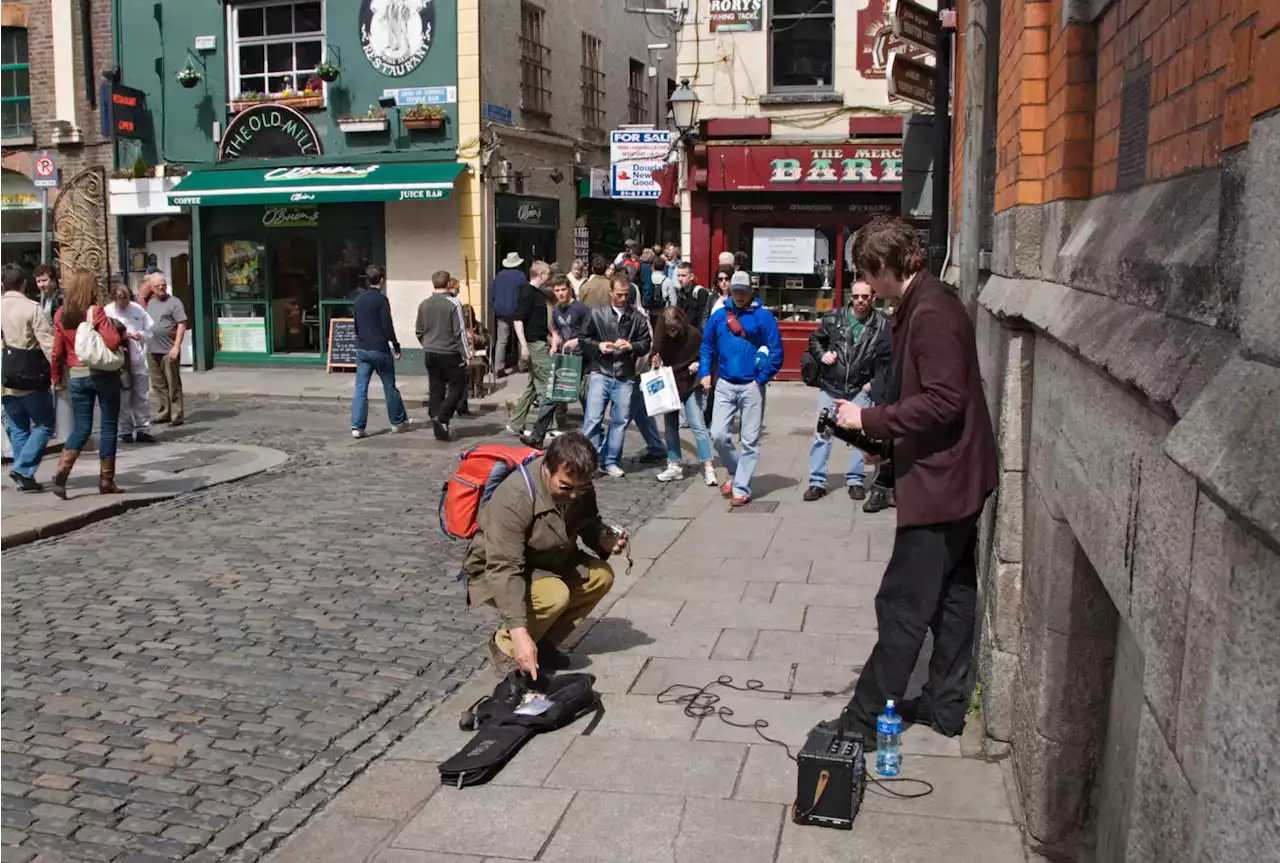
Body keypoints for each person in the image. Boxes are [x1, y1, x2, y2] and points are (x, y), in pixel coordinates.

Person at [827, 216, 997, 745]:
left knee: (901, 604)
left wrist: (868, 421)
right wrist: (882, 443)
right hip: (948, 478)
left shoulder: (931, 311)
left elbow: (946, 402)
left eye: (866, 273)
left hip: (945, 486)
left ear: (882, 266)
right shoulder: (922, 303)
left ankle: (861, 723)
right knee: (952, 595)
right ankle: (946, 707)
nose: (865, 286)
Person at [464, 432, 625, 677]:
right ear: (548, 468)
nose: (573, 495)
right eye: (566, 487)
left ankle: (543, 643)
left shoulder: (579, 485)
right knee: (553, 595)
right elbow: (504, 567)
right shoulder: (515, 497)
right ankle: (505, 647)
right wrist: (518, 631)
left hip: (550, 560)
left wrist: (604, 539)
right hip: (497, 570)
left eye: (581, 489)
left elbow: (588, 522)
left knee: (600, 576)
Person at [698, 270, 783, 506]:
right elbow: (707, 346)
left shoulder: (763, 317)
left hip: (752, 385)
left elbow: (776, 350)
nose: (738, 295)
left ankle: (741, 487)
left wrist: (762, 378)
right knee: (717, 435)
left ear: (750, 291)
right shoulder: (719, 315)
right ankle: (737, 472)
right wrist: (705, 372)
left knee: (749, 440)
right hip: (725, 382)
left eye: (742, 291)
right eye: (735, 291)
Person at [804, 279, 891, 501]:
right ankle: (816, 481)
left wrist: (873, 383)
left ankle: (855, 480)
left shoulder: (882, 324)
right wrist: (822, 354)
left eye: (864, 296)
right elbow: (815, 339)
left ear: (873, 297)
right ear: (850, 297)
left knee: (859, 436)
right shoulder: (834, 317)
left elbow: (888, 358)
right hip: (832, 385)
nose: (860, 301)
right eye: (855, 296)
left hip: (860, 387)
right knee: (823, 433)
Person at [49, 268, 126, 498]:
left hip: (77, 374)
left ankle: (62, 471)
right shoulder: (96, 312)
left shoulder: (61, 314)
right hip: (102, 373)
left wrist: (56, 376)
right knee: (109, 426)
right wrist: (119, 335)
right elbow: (112, 340)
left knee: (82, 426)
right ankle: (106, 481)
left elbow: (56, 352)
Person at [579, 272, 651, 478]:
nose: (623, 298)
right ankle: (588, 461)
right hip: (601, 371)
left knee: (619, 421)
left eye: (626, 294)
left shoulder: (637, 316)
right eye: (619, 294)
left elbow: (645, 343)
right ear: (610, 292)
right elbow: (583, 339)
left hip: (625, 374)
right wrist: (599, 346)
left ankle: (610, 460)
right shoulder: (597, 313)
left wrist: (631, 346)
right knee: (593, 419)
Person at [0, 265, 55, 491]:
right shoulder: (32, 309)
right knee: (45, 424)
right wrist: (59, 373)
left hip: (5, 378)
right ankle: (23, 469)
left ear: (2, 285)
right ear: (23, 284)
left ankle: (25, 478)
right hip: (30, 377)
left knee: (18, 428)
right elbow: (48, 344)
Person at [522, 274, 590, 449]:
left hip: (583, 359)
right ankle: (538, 436)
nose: (560, 293)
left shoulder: (581, 309)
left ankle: (592, 437)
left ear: (569, 289)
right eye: (557, 290)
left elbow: (590, 332)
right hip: (565, 359)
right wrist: (554, 344)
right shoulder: (556, 310)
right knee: (551, 396)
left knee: (586, 397)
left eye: (563, 289)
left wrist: (578, 341)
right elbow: (557, 331)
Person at [651, 307, 716, 486]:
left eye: (675, 329)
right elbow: (655, 353)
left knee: (697, 424)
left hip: (689, 380)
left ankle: (708, 466)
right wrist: (655, 361)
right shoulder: (661, 335)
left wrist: (698, 365)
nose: (672, 333)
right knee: (670, 425)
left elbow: (706, 355)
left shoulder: (693, 335)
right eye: (669, 329)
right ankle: (674, 464)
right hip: (670, 381)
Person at [351, 265, 410, 439]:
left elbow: (356, 325)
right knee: (389, 386)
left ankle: (357, 426)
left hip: (362, 348)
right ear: (382, 280)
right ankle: (397, 422)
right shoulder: (382, 300)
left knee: (361, 388)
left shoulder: (359, 300)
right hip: (380, 349)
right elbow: (387, 326)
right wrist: (396, 346)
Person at [416, 270, 468, 441]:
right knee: (457, 388)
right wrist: (466, 354)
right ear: (447, 284)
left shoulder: (424, 304)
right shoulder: (454, 303)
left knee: (436, 387)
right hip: (450, 352)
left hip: (430, 351)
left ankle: (436, 419)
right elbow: (459, 332)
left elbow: (419, 330)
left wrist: (427, 344)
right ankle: (442, 417)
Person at [505, 261, 554, 435]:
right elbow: (518, 319)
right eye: (548, 274)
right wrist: (524, 345)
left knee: (533, 386)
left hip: (537, 343)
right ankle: (547, 427)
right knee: (547, 385)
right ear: (540, 274)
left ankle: (515, 423)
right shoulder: (528, 293)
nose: (549, 277)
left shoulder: (536, 293)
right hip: (535, 344)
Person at [105, 283, 156, 445]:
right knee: (123, 396)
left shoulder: (137, 310)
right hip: (120, 361)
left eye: (125, 298)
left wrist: (139, 335)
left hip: (137, 358)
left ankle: (143, 428)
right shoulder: (108, 311)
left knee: (141, 396)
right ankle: (125, 430)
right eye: (119, 299)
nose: (123, 302)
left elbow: (150, 329)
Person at [144, 271, 186, 426]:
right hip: (152, 348)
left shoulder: (175, 302)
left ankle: (177, 414)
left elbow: (182, 324)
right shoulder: (151, 303)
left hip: (168, 350)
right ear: (152, 288)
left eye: (163, 285)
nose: (161, 288)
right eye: (157, 286)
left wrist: (176, 347)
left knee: (173, 383)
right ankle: (164, 411)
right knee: (158, 384)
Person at [447, 277, 481, 418]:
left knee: (462, 378)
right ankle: (455, 407)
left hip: (452, 348)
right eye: (457, 288)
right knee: (457, 381)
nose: (459, 290)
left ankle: (461, 406)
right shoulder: (454, 305)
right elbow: (457, 330)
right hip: (454, 348)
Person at [492, 252, 525, 377]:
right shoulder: (521, 276)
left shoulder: (499, 276)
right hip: (517, 312)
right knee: (520, 338)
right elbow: (523, 295)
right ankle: (522, 365)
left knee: (501, 340)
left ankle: (498, 368)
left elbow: (494, 294)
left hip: (501, 312)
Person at [673, 261, 713, 331]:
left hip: (696, 334)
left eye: (683, 276)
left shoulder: (700, 292)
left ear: (691, 277)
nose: (680, 279)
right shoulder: (681, 293)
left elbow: (703, 319)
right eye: (678, 275)